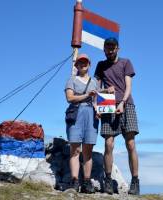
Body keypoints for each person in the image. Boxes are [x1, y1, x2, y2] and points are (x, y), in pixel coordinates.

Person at [94, 38, 140, 195]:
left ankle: (135, 181)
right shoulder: (100, 65)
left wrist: (123, 102)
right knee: (109, 144)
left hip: (127, 104)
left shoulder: (126, 62)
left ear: (118, 49)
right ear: (104, 49)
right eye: (108, 47)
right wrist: (98, 105)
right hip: (107, 105)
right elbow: (97, 88)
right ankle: (108, 180)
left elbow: (128, 86)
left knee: (131, 144)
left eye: (113, 47)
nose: (110, 50)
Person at [65, 53, 98, 193]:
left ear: (89, 65)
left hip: (91, 115)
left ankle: (86, 181)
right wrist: (86, 95)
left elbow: (96, 100)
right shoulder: (71, 80)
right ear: (76, 65)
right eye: (80, 62)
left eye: (85, 62)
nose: (83, 64)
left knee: (88, 150)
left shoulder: (94, 81)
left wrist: (99, 109)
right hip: (76, 113)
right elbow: (69, 98)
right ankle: (74, 180)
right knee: (75, 149)